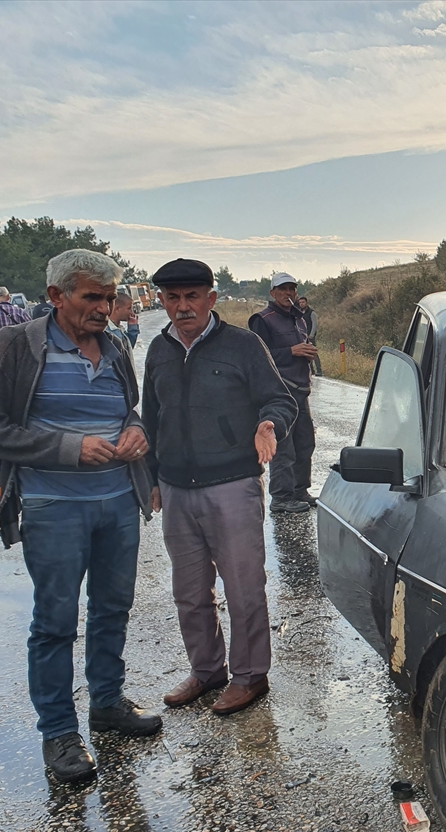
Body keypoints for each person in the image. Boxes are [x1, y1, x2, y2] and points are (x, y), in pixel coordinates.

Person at [0, 249, 160, 785]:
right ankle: (60, 733)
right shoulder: (14, 347)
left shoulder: (115, 347)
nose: (104, 307)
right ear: (55, 297)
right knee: (55, 623)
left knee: (113, 608)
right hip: (53, 506)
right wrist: (69, 447)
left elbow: (127, 411)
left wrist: (137, 430)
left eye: (109, 297)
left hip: (118, 502)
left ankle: (107, 705)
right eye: (92, 297)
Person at [143, 259, 298, 714]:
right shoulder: (158, 350)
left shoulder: (243, 345)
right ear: (163, 301)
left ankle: (250, 676)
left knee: (243, 587)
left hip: (233, 484)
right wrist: (151, 476)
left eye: (192, 297)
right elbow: (151, 417)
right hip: (175, 489)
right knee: (190, 592)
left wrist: (269, 424)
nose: (182, 307)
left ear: (211, 299)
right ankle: (207, 671)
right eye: (173, 298)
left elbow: (279, 398)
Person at [249, 274, 316, 514]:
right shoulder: (262, 320)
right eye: (283, 289)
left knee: (305, 443)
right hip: (279, 391)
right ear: (272, 293)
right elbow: (257, 359)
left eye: (292, 289)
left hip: (301, 389)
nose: (288, 293)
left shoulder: (300, 319)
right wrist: (291, 351)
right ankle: (281, 497)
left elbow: (298, 349)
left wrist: (306, 353)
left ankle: (300, 490)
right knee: (284, 447)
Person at [297, 296, 322, 376]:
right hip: (302, 336)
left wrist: (311, 335)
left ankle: (319, 370)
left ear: (306, 303)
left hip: (310, 336)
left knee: (313, 353)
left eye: (303, 302)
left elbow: (315, 324)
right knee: (306, 353)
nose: (301, 304)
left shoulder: (312, 313)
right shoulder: (299, 312)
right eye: (300, 302)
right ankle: (311, 370)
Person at [105, 290, 134, 357]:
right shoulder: (108, 331)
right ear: (117, 309)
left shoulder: (118, 328)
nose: (132, 313)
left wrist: (132, 327)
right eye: (129, 308)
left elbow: (128, 347)